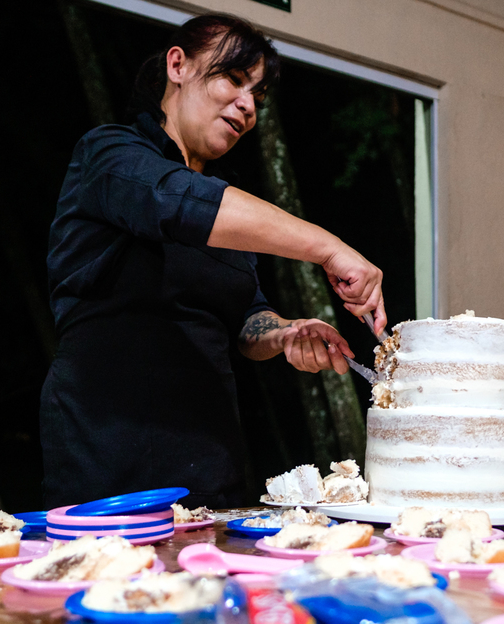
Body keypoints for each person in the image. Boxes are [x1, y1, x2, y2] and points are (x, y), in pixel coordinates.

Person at [41, 14, 385, 509]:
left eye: (258, 97)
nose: (247, 105)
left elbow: (246, 320)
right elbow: (176, 201)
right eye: (233, 79)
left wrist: (284, 333)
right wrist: (330, 248)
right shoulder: (110, 154)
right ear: (178, 64)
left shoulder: (233, 214)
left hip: (208, 452)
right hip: (106, 442)